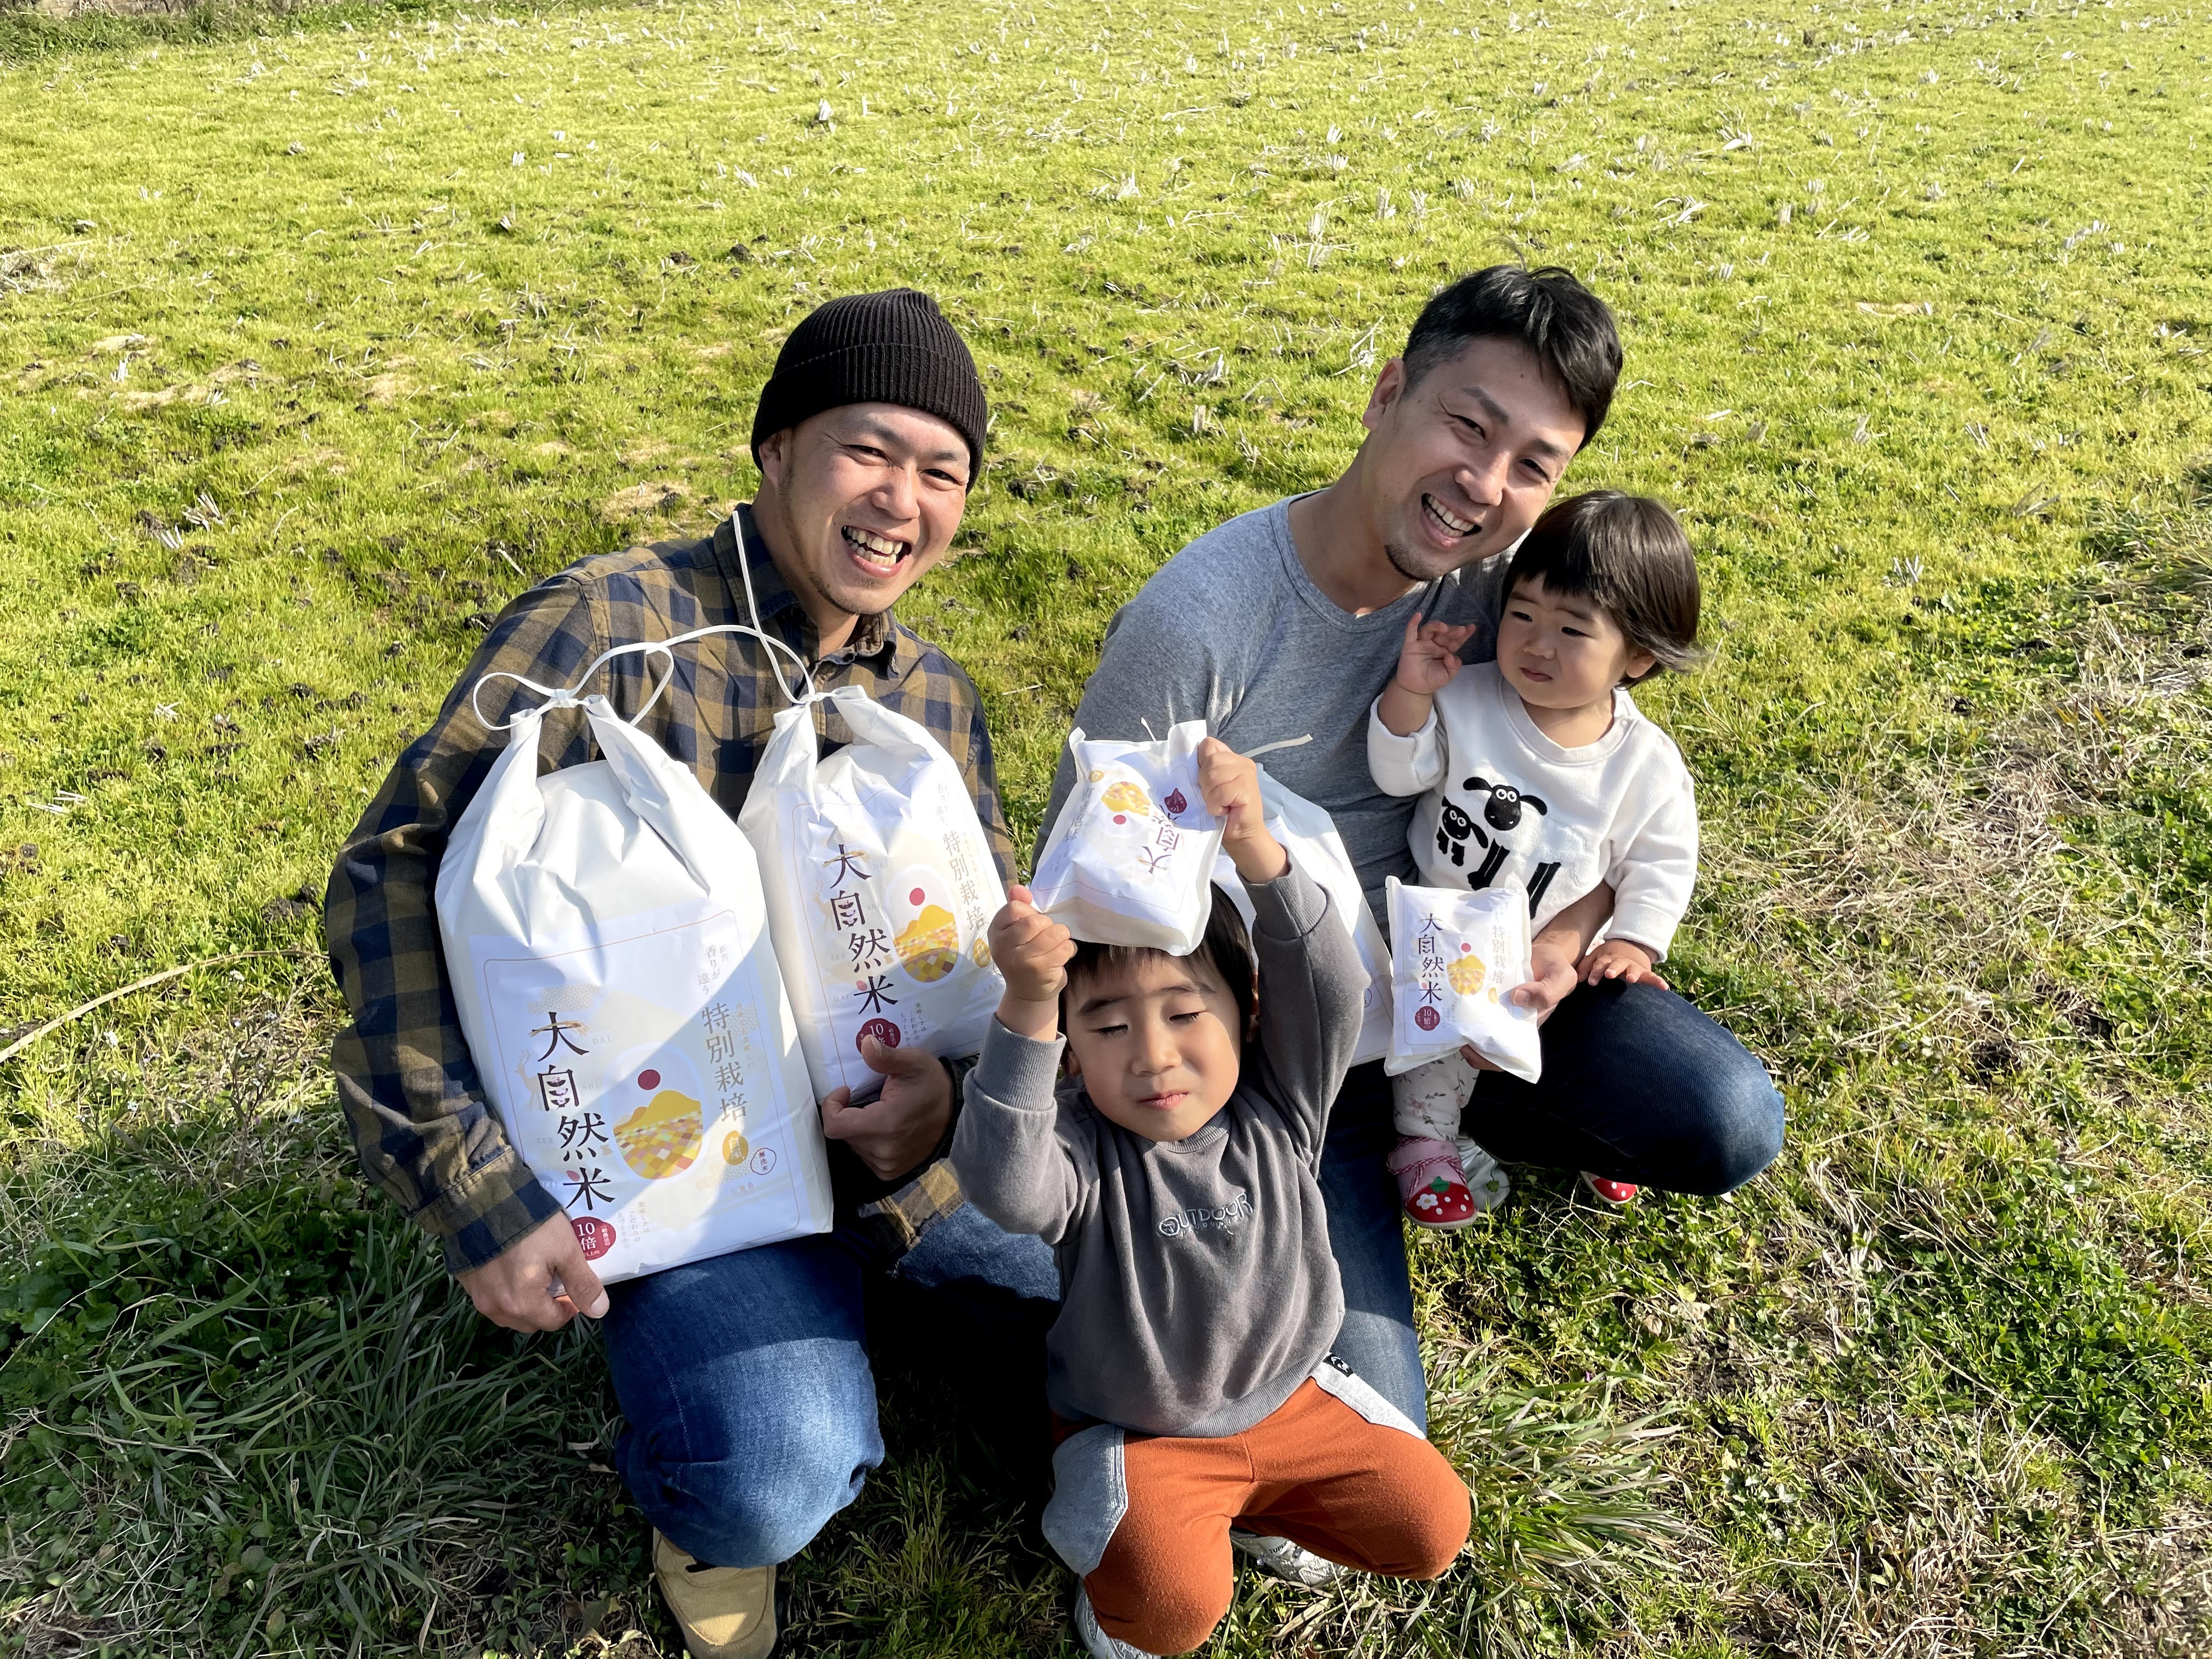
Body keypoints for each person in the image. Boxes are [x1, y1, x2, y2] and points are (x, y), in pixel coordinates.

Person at [324, 289, 1059, 1659]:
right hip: (683, 1174)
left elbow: (982, 947)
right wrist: (480, 1194)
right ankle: (734, 1429)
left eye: (944, 473)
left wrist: (952, 1102)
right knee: (770, 1474)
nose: (903, 501)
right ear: (776, 447)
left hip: (901, 1159)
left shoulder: (931, 701)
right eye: (870, 451)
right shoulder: (611, 625)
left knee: (1116, 1322)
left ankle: (879, 1327)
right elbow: (391, 880)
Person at [1044, 264, 1786, 1429]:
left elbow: (1597, 767)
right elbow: (1083, 892)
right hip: (1284, 1061)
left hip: (1473, 984)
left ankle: (1449, 1115)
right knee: (1373, 1423)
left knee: (1727, 1116)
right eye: (1467, 425)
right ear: (1388, 393)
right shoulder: (1204, 624)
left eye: (1533, 464)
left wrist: (1579, 927)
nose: (1484, 487)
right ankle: (1374, 1153)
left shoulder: (1508, 587)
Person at [955, 740, 1470, 1659]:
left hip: (1294, 1399)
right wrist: (1027, 1007)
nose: (1153, 1056)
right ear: (1073, 1053)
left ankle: (1264, 1506)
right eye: (1107, 1026)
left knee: (1432, 1528)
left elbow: (1330, 985)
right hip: (1143, 1434)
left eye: (1186, 1013)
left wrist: (1260, 853)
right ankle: (1121, 1567)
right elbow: (1002, 1181)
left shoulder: (1283, 1101)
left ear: (1251, 1013)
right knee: (1168, 1612)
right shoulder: (1079, 1150)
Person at [1372, 490, 1703, 1226]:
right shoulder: (1470, 698)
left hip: (1561, 955)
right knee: (1435, 1049)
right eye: (1522, 614)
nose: (1536, 645)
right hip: (1447, 939)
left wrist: (1632, 940)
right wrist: (1410, 695)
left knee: (1588, 1053)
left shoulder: (1642, 766)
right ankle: (1425, 1145)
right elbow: (1400, 773)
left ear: (1640, 656)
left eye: (1572, 630)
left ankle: (1597, 1142)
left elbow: (1662, 860)